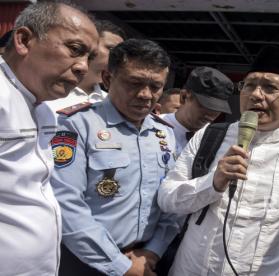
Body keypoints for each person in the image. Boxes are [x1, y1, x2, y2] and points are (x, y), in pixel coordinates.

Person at [158, 45, 279, 275]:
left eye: (270, 87)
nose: (255, 94)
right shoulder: (210, 136)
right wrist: (212, 183)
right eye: (249, 85)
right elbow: (167, 199)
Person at [50, 39, 179, 276]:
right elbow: (66, 203)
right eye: (135, 83)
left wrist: (153, 252)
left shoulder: (165, 133)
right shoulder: (77, 125)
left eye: (156, 86)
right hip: (86, 263)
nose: (145, 95)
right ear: (108, 79)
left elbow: (171, 203)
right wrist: (121, 267)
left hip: (144, 261)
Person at [0, 2, 97, 275]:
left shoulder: (45, 110)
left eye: (89, 57)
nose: (82, 67)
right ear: (24, 40)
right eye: (75, 50)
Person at [46, 19, 126, 112]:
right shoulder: (48, 93)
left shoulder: (114, 103)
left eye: (122, 54)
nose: (119, 58)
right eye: (112, 49)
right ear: (90, 46)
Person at [161, 66, 234, 154]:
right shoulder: (150, 127)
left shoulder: (216, 138)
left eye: (217, 109)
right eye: (205, 106)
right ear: (184, 97)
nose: (210, 115)